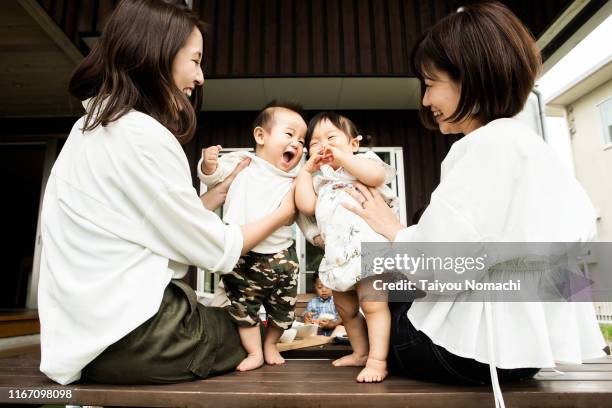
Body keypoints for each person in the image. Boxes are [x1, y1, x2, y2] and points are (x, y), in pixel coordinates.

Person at [341, 2, 605, 407]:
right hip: (526, 354)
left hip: (466, 354)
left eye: (430, 83)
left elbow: (436, 268)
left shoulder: (483, 146)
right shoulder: (535, 150)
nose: (426, 97)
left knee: (376, 301)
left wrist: (391, 228)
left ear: (471, 79)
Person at [38, 0, 297, 385]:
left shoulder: (88, 129)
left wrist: (218, 193)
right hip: (142, 338)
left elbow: (155, 220)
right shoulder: (142, 135)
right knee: (261, 332)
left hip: (81, 337)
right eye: (194, 61)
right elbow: (214, 249)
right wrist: (284, 211)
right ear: (154, 54)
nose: (201, 76)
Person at [198, 101, 318, 371]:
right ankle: (255, 352)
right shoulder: (243, 162)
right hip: (242, 254)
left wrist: (316, 237)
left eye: (302, 140)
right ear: (260, 136)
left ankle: (271, 343)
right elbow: (212, 177)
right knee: (243, 308)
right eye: (289, 135)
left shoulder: (296, 178)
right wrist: (208, 164)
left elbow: (303, 214)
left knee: (283, 308)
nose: (297, 144)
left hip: (282, 256)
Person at [295, 111, 400, 382]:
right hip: (338, 257)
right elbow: (306, 206)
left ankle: (378, 361)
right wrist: (306, 172)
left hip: (369, 250)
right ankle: (361, 353)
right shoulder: (321, 179)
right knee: (346, 310)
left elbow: (376, 177)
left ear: (353, 143)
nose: (322, 145)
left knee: (374, 305)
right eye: (314, 143)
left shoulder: (363, 161)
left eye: (331, 137)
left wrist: (344, 159)